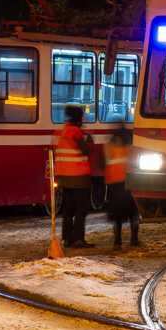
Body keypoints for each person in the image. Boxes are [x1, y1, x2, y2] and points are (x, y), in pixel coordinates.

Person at [53, 105, 94, 249]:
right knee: (81, 210)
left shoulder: (62, 130)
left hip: (64, 177)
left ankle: (67, 239)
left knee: (68, 210)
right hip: (79, 177)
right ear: (79, 118)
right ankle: (78, 239)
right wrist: (89, 139)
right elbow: (86, 150)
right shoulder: (77, 133)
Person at [103, 131, 140, 250]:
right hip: (127, 182)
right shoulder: (129, 146)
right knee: (133, 213)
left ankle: (117, 241)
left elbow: (102, 163)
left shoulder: (108, 146)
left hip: (113, 184)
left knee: (116, 215)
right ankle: (134, 239)